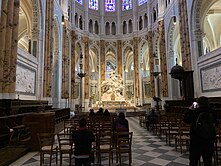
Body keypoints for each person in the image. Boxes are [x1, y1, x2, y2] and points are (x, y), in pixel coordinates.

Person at [184, 96, 217, 166]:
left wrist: (189, 109)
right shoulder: (212, 111)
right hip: (209, 139)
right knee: (208, 161)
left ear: (198, 103)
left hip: (196, 140)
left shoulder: (195, 111)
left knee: (194, 161)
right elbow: (216, 123)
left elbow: (186, 120)